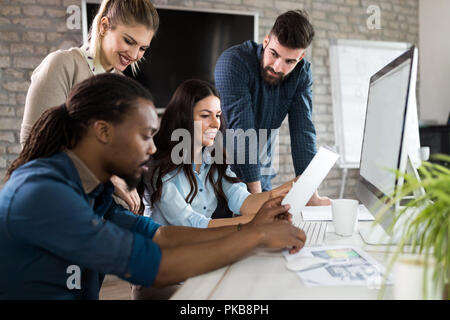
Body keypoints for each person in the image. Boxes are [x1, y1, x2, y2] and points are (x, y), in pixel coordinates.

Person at [0, 73, 306, 300]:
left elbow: (161, 235)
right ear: (103, 132)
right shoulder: (44, 193)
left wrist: (251, 228)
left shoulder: (93, 193)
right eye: (145, 135)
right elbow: (154, 267)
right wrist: (257, 234)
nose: (151, 148)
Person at [20, 0, 159, 213]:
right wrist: (110, 179)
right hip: (57, 201)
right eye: (129, 41)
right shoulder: (63, 64)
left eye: (142, 48)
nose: (134, 54)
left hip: (103, 206)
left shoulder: (122, 87)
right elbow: (34, 142)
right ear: (104, 26)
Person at [142, 79, 296, 228]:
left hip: (202, 246)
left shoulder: (213, 159)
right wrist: (254, 222)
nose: (216, 123)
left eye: (217, 115)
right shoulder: (160, 167)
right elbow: (191, 224)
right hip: (169, 250)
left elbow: (242, 200)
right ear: (183, 118)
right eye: (205, 115)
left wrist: (288, 189)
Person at [214, 10, 330, 205]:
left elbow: (303, 131)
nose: (277, 67)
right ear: (266, 41)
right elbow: (242, 129)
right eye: (274, 54)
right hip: (220, 175)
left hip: (261, 175)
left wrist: (311, 194)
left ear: (300, 58)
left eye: (289, 61)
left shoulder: (301, 74)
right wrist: (257, 198)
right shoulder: (233, 62)